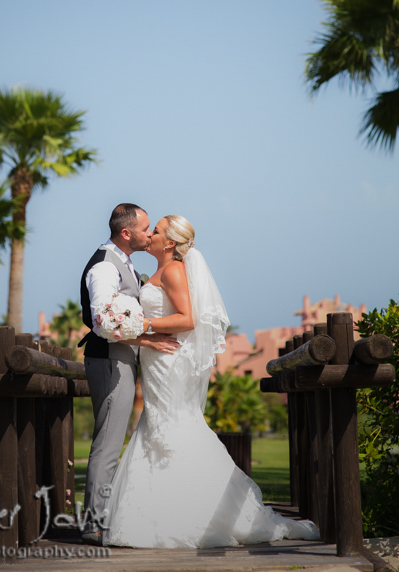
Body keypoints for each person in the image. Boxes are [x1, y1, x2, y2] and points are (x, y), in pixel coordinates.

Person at [104, 214, 320, 548]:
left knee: (174, 426)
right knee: (159, 425)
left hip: (167, 358)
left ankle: (195, 512)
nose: (151, 236)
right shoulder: (161, 271)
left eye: (156, 231)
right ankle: (163, 510)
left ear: (170, 243)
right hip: (156, 358)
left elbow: (188, 319)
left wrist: (143, 324)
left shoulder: (174, 270)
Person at [79, 203, 180, 546]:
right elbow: (103, 321)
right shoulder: (106, 267)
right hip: (109, 358)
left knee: (111, 440)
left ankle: (100, 517)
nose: (150, 234)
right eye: (146, 228)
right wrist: (149, 339)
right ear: (127, 233)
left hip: (119, 357)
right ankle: (93, 524)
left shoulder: (123, 262)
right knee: (108, 442)